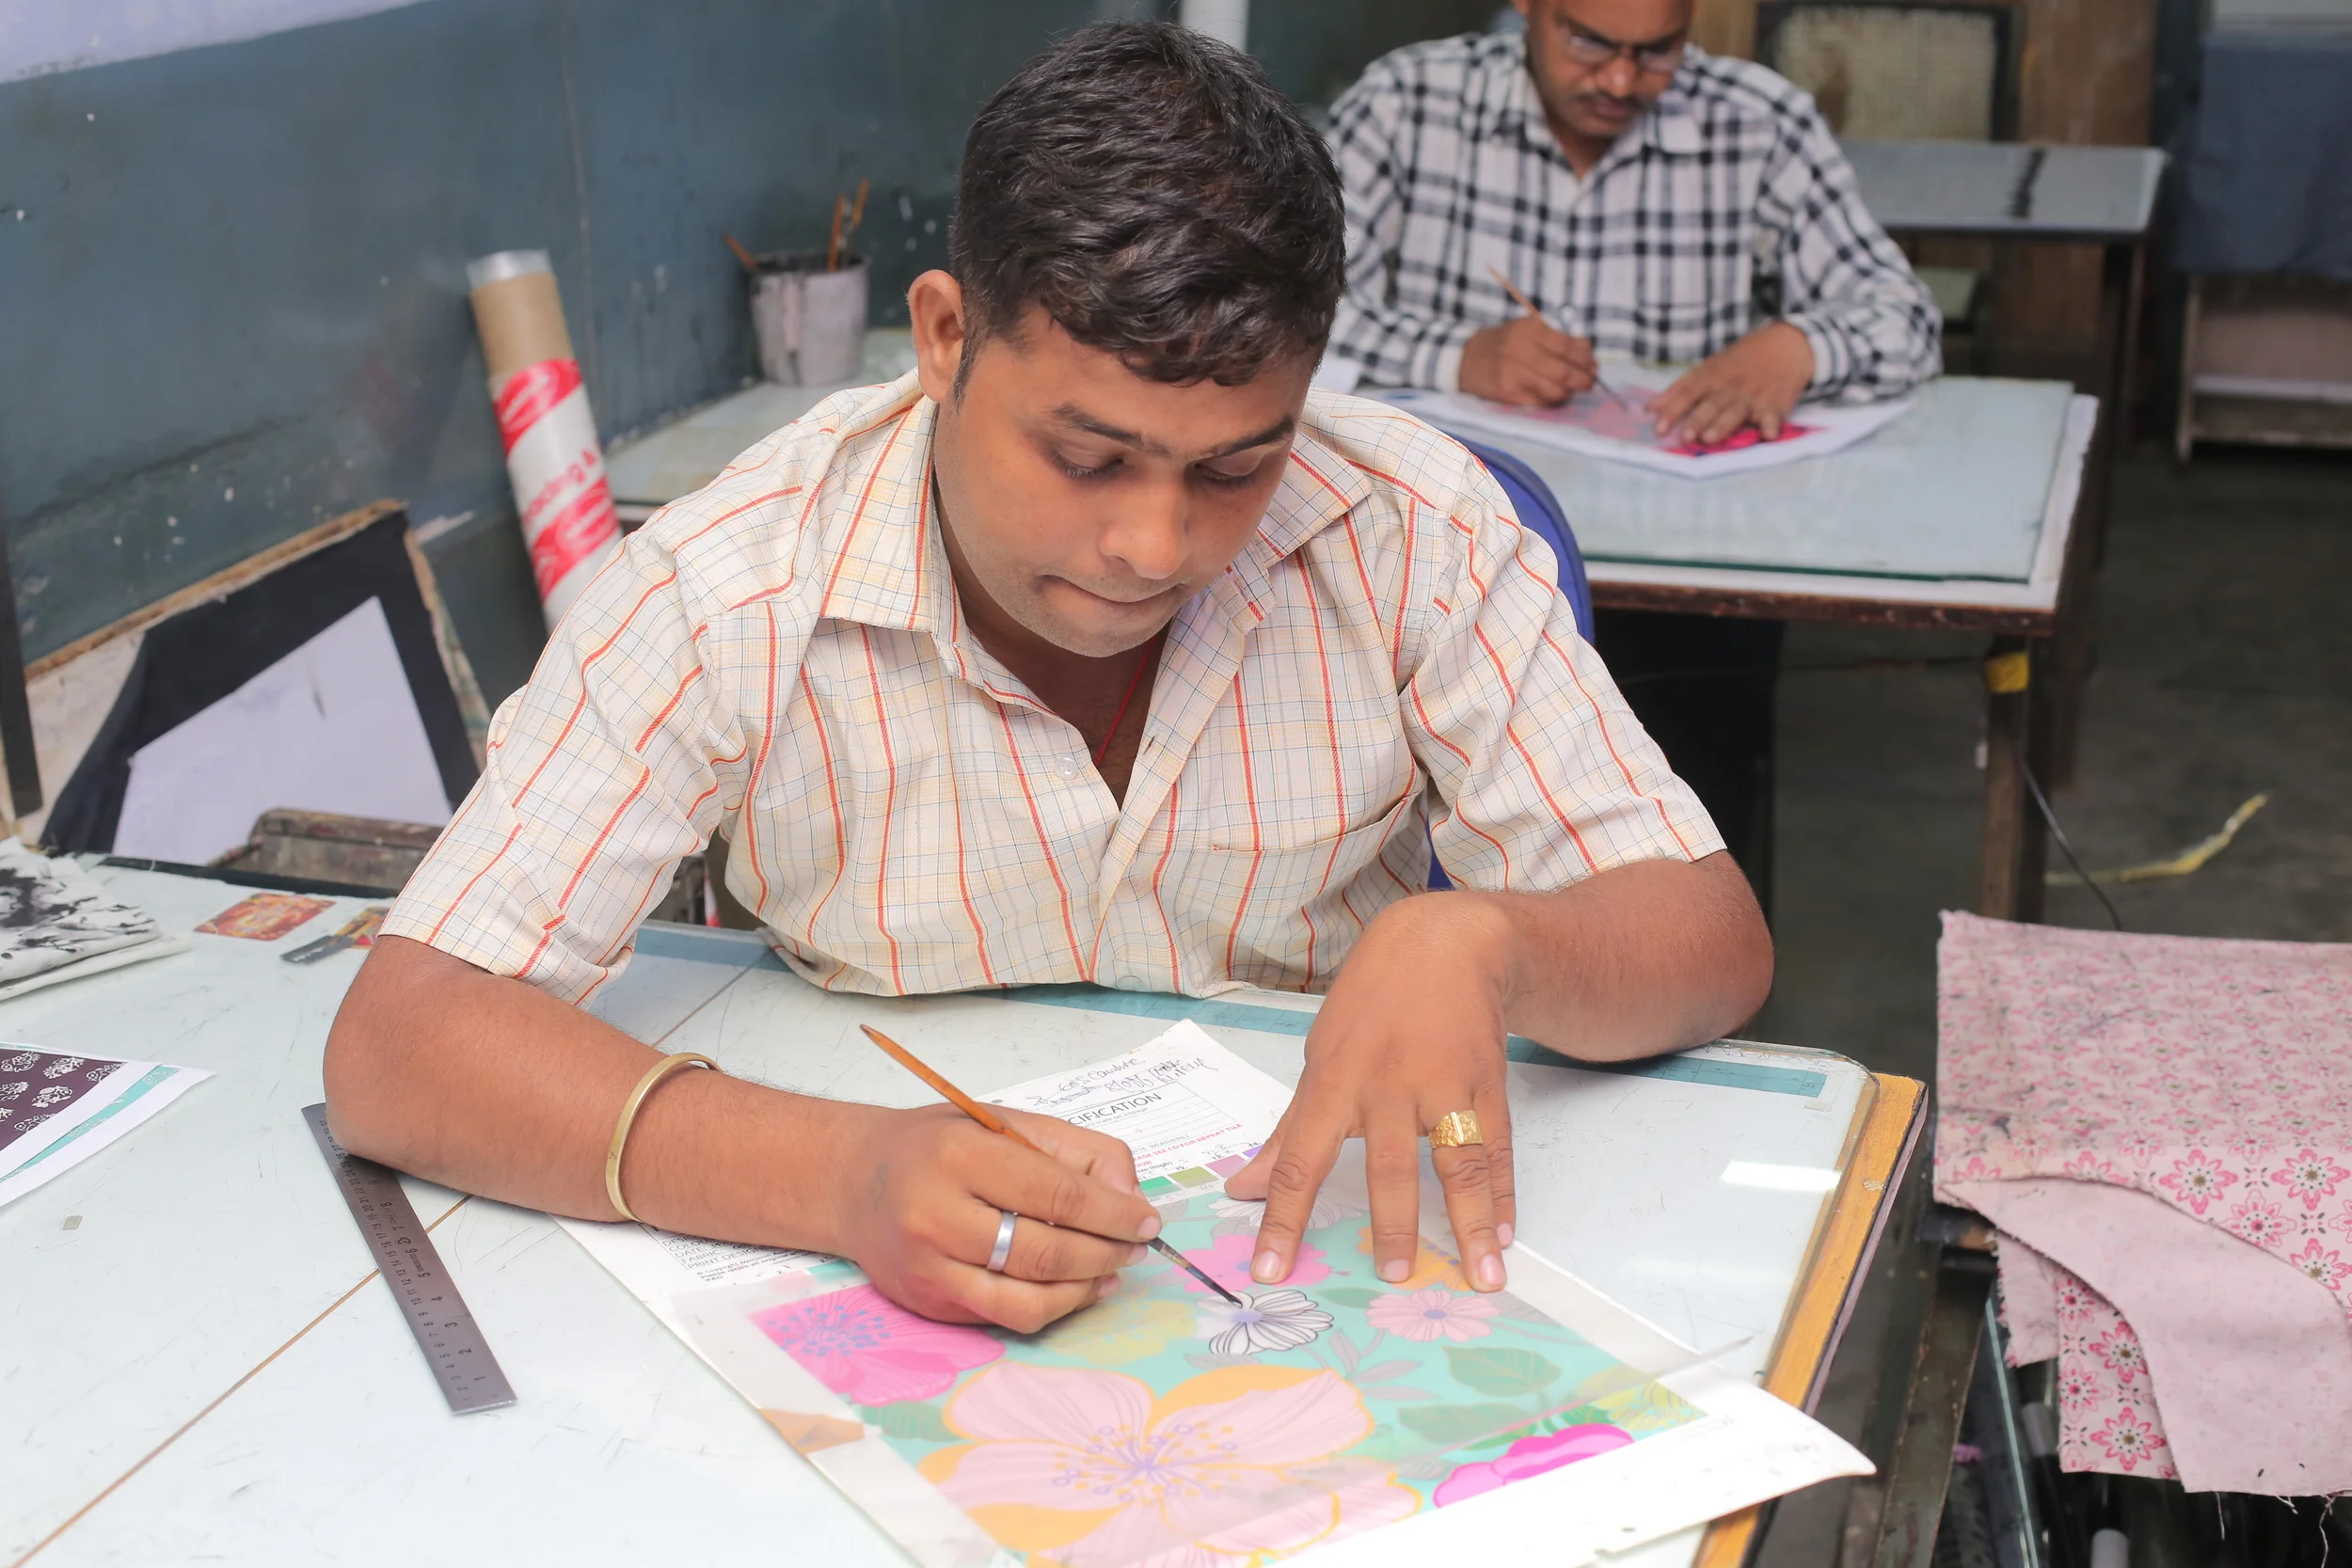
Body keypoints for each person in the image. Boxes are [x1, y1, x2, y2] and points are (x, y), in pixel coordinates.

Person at [325, 21, 1771, 1337]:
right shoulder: (733, 581)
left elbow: (1709, 941)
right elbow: (404, 1045)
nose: (1153, 545)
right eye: (1084, 456)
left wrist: (1490, 943)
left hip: (1308, 1278)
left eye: (1235, 466)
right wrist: (841, 1172)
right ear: (947, 338)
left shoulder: (1412, 528)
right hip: (899, 1253)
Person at [1327, 0, 1942, 901]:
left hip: (1685, 575)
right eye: (1590, 43)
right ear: (1528, 10)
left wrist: (1797, 347)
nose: (1621, 81)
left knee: (1685, 811)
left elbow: (1903, 314)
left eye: (1656, 52)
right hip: (1437, 556)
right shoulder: (1407, 102)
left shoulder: (1754, 119)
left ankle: (1675, 981)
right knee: (1431, 828)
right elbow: (1270, 299)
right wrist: (1459, 354)